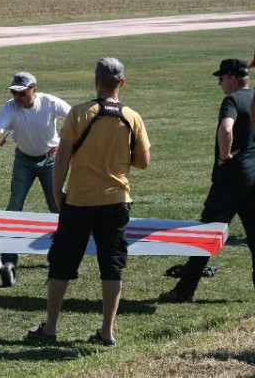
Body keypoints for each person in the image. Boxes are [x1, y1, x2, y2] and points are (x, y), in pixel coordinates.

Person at [27, 58, 150, 346]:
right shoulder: (132, 117)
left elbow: (61, 160)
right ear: (122, 83)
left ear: (95, 81)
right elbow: (143, 162)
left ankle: (51, 327)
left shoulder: (79, 113)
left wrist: (59, 195)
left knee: (62, 263)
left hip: (80, 201)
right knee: (112, 265)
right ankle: (107, 331)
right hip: (117, 200)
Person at [159, 59, 254, 303]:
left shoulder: (231, 100)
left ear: (232, 78)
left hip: (230, 180)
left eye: (221, 78)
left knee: (206, 235)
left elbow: (226, 128)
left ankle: (184, 291)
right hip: (252, 178)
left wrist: (224, 156)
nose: (220, 83)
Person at [0, 71, 70, 287]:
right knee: (14, 207)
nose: (17, 98)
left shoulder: (50, 103)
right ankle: (9, 262)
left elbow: (75, 118)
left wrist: (65, 140)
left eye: (22, 94)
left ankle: (65, 255)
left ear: (34, 89)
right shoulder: (10, 107)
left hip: (51, 160)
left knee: (58, 207)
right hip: (23, 161)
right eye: (14, 93)